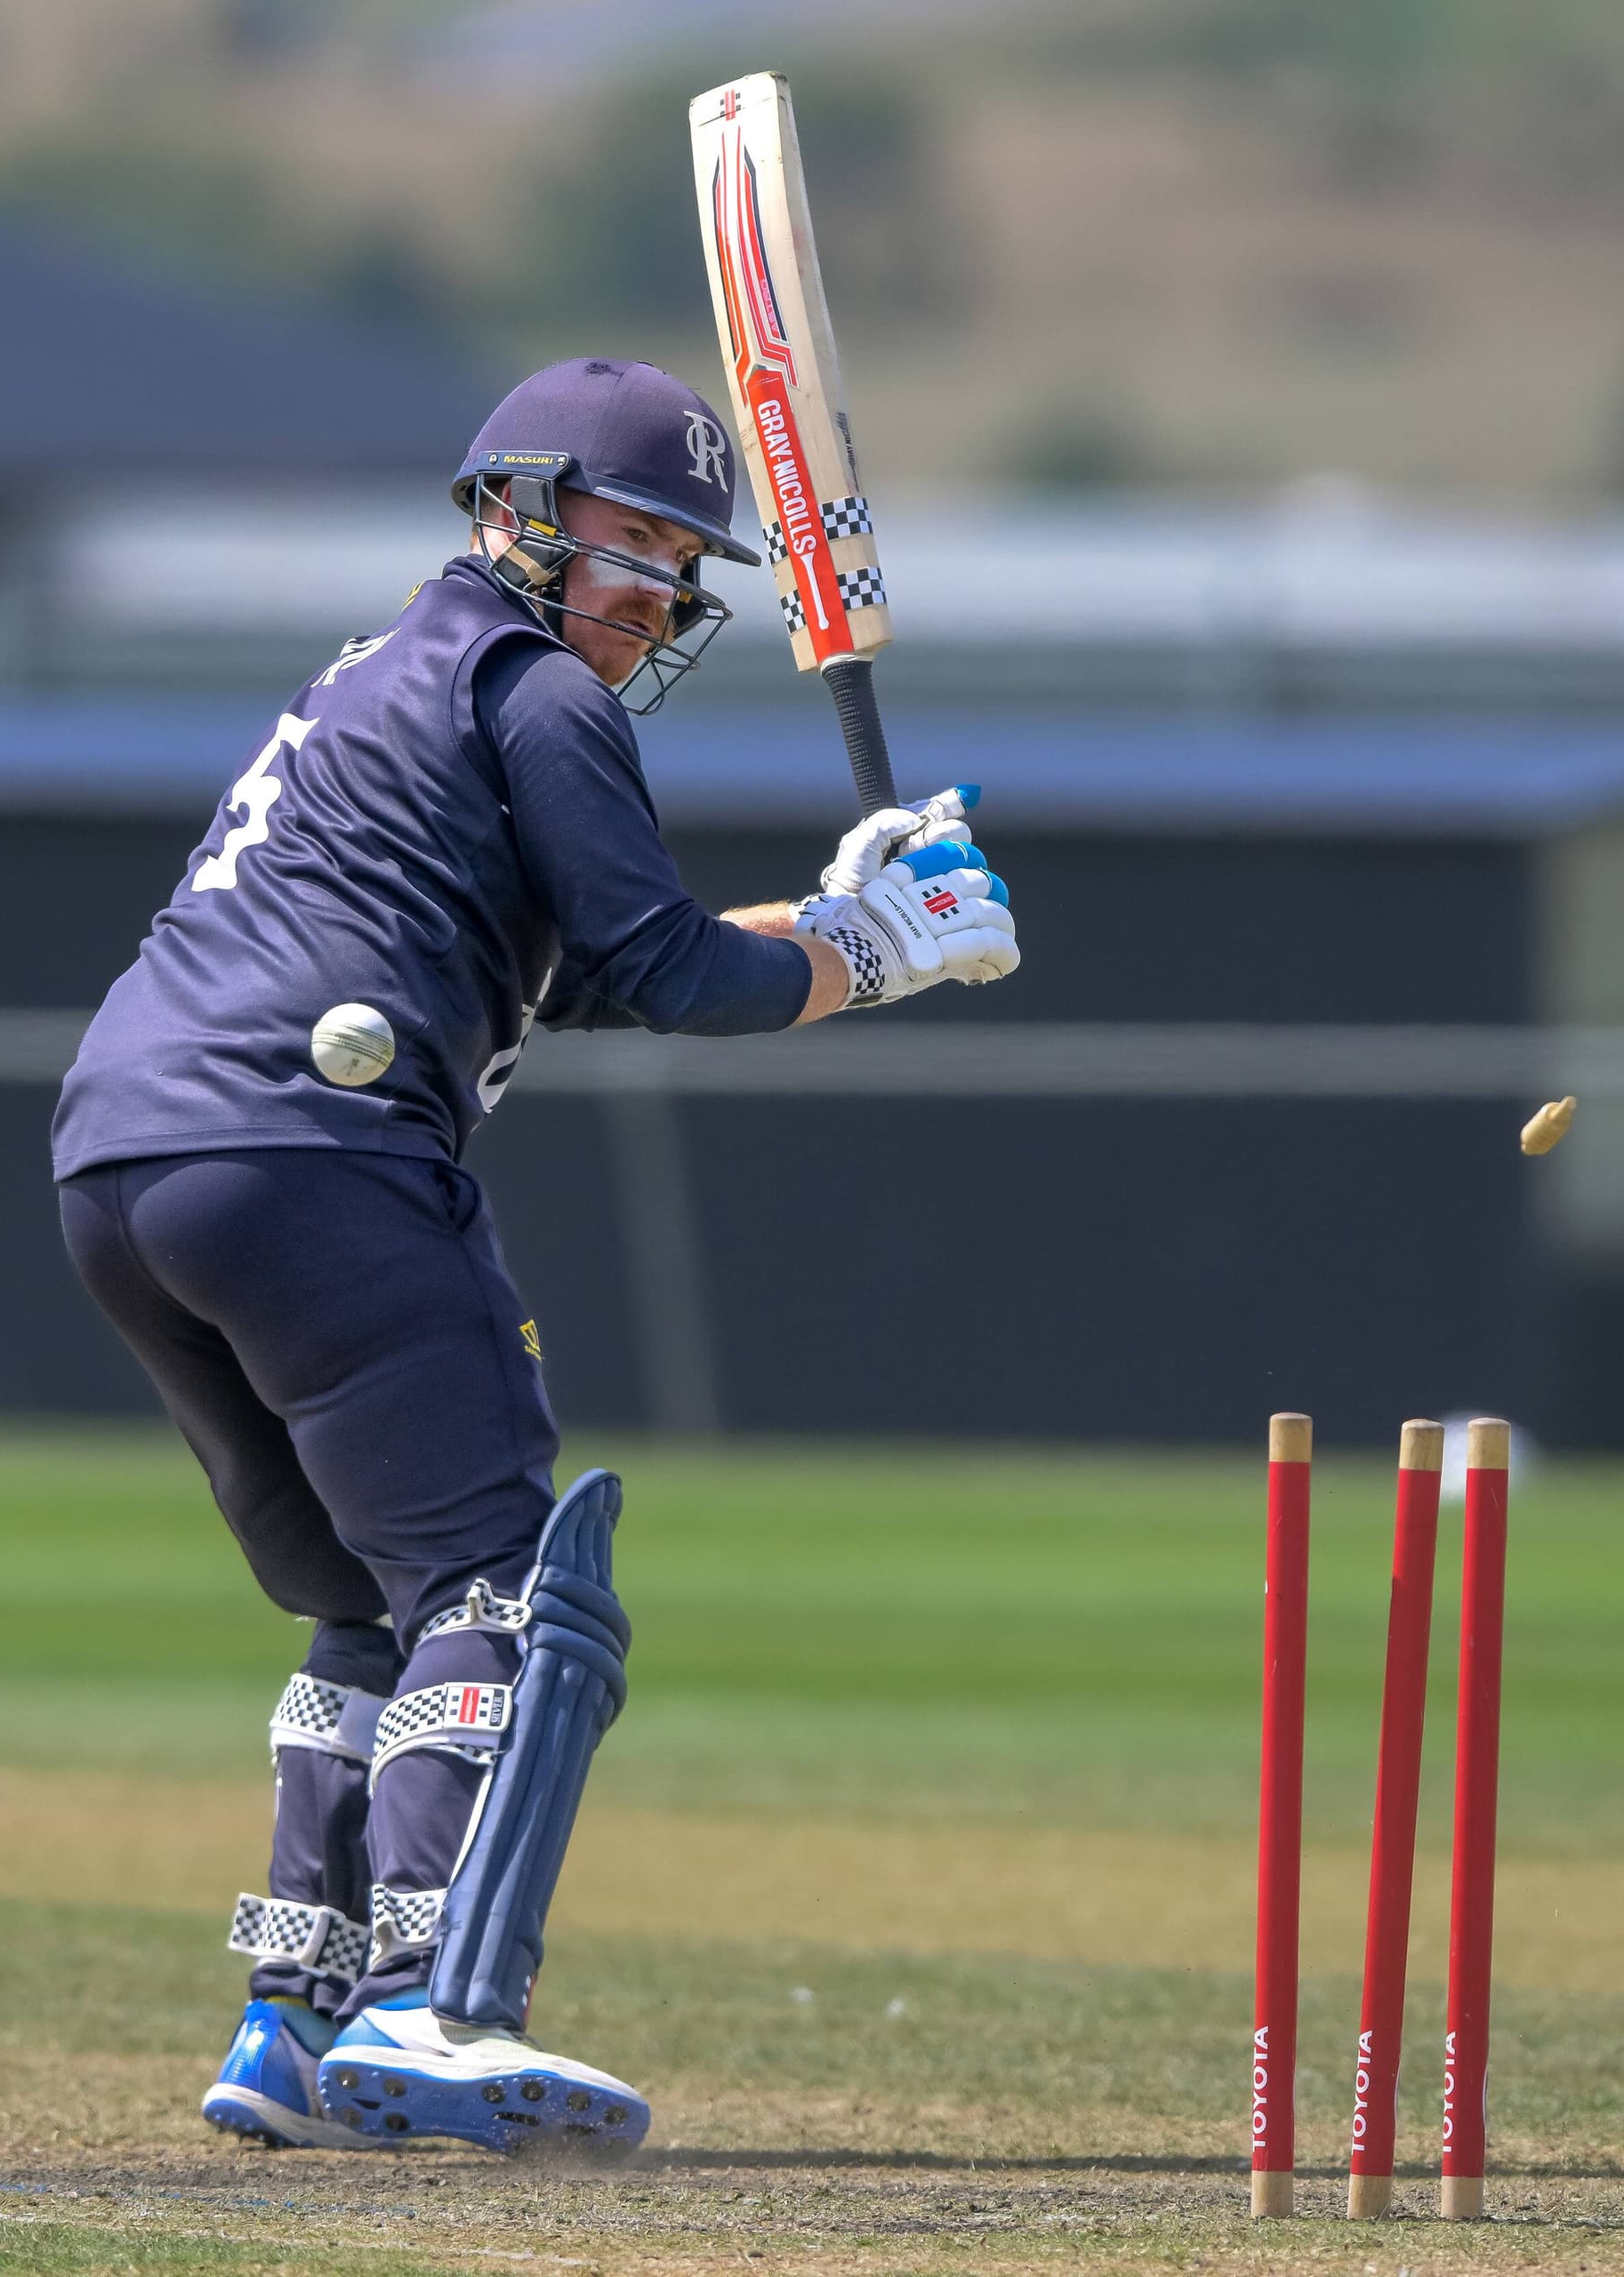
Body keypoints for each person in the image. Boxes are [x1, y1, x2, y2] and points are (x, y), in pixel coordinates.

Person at [49, 358, 1020, 2158]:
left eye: (677, 562)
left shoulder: (383, 680)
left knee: (373, 1595)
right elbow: (664, 972)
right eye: (627, 542)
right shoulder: (538, 692)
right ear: (517, 511)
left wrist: (836, 914)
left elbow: (569, 968)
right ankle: (435, 1999)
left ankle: (293, 2014)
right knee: (505, 1582)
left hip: (126, 1161)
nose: (650, 592)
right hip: (309, 1146)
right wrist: (879, 948)